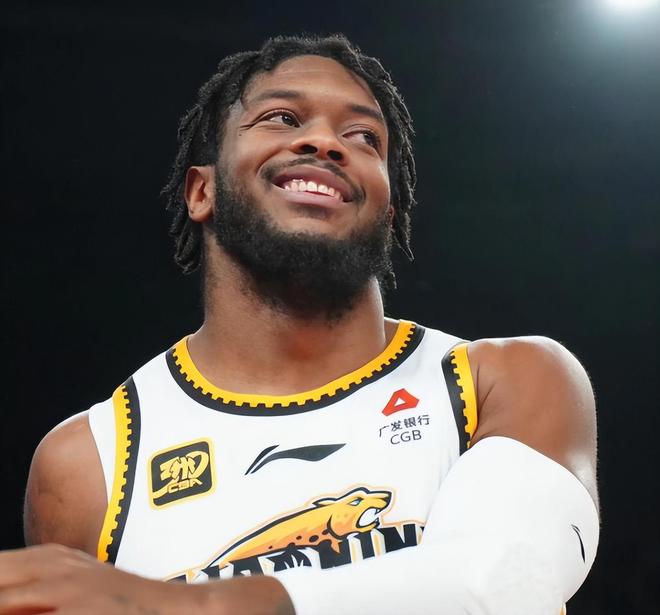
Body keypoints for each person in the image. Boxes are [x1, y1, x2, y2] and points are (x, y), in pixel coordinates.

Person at [0, 34, 599, 614]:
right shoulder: (89, 463)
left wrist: (187, 604)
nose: (325, 142)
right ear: (202, 191)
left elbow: (508, 581)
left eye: (364, 137)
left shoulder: (501, 380)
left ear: (389, 212)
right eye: (282, 118)